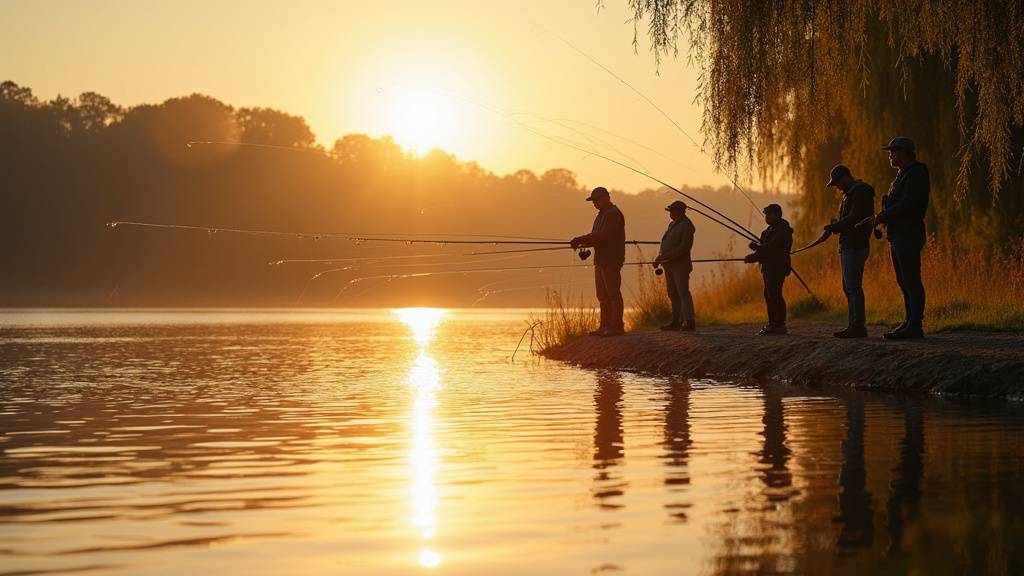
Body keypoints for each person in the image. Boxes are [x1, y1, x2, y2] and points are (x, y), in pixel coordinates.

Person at [859, 137, 929, 340]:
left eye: (894, 150)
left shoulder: (916, 174)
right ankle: (909, 322)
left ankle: (915, 325)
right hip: (898, 234)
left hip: (908, 232)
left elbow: (907, 204)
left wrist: (879, 217)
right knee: (903, 280)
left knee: (911, 280)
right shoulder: (902, 175)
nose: (890, 154)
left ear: (906, 152)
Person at [824, 164, 875, 338]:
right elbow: (849, 219)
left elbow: (855, 218)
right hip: (848, 245)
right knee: (848, 287)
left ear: (845, 177)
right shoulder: (850, 194)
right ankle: (853, 323)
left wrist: (835, 226)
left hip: (855, 245)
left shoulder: (860, 192)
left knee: (853, 286)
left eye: (837, 182)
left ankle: (857, 326)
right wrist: (836, 225)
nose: (836, 186)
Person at [571, 186, 626, 337]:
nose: (594, 203)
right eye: (593, 201)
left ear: (606, 198)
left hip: (611, 259)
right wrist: (583, 243)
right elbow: (596, 237)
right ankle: (605, 325)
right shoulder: (601, 215)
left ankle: (617, 326)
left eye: (596, 200)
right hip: (601, 259)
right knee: (602, 295)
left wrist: (581, 239)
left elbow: (603, 236)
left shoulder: (613, 214)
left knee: (613, 293)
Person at [744, 204, 794, 335]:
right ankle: (772, 323)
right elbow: (763, 252)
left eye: (769, 215)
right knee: (768, 295)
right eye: (766, 215)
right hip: (767, 267)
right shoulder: (766, 232)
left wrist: (756, 248)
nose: (766, 217)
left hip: (778, 267)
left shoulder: (784, 230)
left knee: (775, 294)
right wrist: (752, 258)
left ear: (777, 215)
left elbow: (772, 248)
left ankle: (779, 325)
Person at [654, 200, 697, 331]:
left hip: (680, 265)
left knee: (683, 292)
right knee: (672, 293)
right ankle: (676, 321)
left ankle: (689, 321)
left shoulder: (687, 226)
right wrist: (660, 257)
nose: (670, 213)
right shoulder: (672, 224)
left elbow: (684, 248)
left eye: (672, 210)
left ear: (680, 211)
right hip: (669, 265)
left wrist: (664, 256)